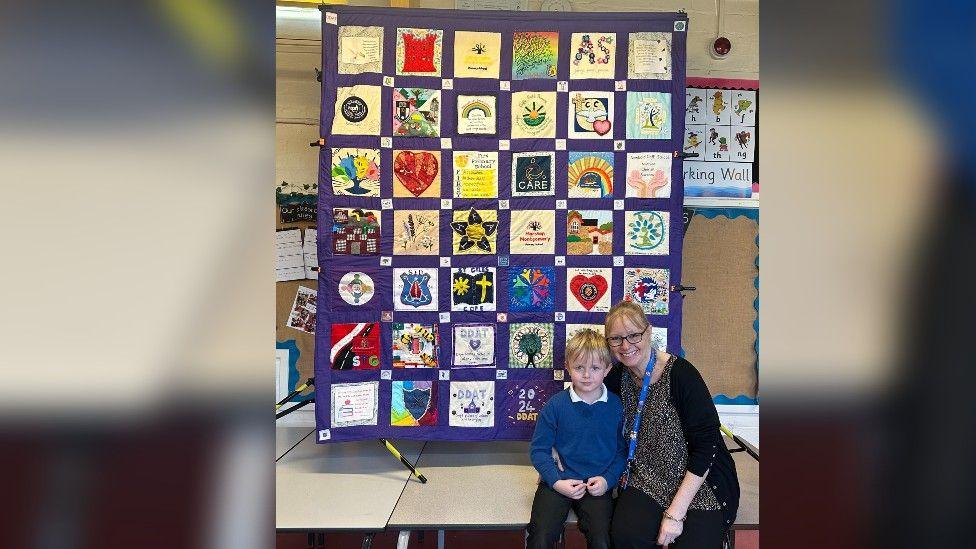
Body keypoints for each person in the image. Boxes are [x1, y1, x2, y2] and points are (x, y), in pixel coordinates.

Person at [603, 301, 739, 548]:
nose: (626, 346)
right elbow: (587, 416)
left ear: (649, 331)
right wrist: (557, 453)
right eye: (616, 339)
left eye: (634, 335)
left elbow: (706, 445)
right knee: (626, 538)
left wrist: (675, 514)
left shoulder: (681, 375)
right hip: (646, 478)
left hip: (697, 482)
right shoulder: (616, 378)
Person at [527, 329, 627, 549]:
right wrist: (555, 481)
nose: (586, 375)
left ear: (608, 369)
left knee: (602, 539)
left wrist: (607, 481)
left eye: (595, 368)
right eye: (579, 367)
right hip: (558, 482)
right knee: (540, 536)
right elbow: (539, 451)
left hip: (596, 486)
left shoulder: (616, 407)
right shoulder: (555, 406)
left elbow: (621, 452)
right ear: (568, 367)